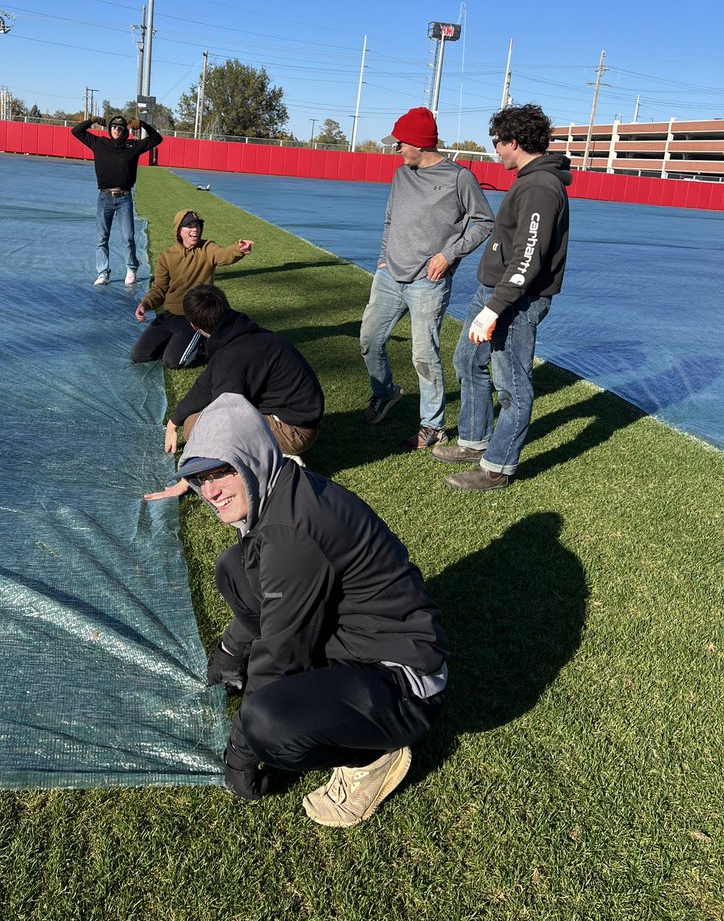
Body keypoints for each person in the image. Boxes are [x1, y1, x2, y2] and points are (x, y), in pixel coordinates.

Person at [176, 393, 448, 828]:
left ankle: (372, 758)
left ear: (251, 458)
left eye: (223, 471)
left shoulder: (290, 533)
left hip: (404, 678)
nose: (210, 491)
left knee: (267, 722)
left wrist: (240, 756)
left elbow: (279, 658)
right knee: (234, 569)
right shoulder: (280, 488)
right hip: (356, 636)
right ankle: (313, 697)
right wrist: (231, 653)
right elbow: (263, 595)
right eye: (199, 477)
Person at [433, 103, 572, 491]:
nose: (495, 149)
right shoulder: (530, 180)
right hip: (494, 291)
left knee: (512, 384)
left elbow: (528, 257)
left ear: (513, 141)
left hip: (516, 299)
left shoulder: (541, 187)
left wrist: (494, 308)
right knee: (467, 360)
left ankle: (497, 467)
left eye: (497, 142)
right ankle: (475, 441)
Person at [360, 106, 493, 449]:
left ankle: (433, 426)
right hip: (390, 275)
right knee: (369, 340)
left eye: (401, 143)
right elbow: (391, 219)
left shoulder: (460, 178)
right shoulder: (402, 174)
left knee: (423, 354)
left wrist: (448, 256)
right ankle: (386, 392)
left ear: (419, 144)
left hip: (427, 282)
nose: (396, 149)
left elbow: (484, 223)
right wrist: (382, 259)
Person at [144, 284, 325, 501]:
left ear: (193, 325)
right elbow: (205, 385)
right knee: (191, 421)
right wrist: (175, 420)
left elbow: (223, 420)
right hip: (296, 417)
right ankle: (265, 450)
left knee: (195, 426)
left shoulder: (230, 357)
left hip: (294, 431)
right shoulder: (241, 333)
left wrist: (187, 480)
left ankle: (279, 462)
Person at [131, 211, 253, 369]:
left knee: (173, 362)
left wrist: (239, 249)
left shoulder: (208, 248)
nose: (195, 229)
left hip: (195, 318)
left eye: (197, 225)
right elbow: (159, 289)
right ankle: (178, 342)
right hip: (169, 316)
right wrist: (145, 305)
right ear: (179, 231)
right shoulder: (166, 257)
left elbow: (224, 255)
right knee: (139, 355)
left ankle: (204, 342)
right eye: (189, 226)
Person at [71, 112, 163, 286]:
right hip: (104, 197)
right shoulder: (99, 143)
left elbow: (157, 139)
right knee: (102, 237)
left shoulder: (133, 146)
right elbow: (76, 132)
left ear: (125, 131)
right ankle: (103, 273)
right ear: (109, 129)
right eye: (114, 127)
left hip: (124, 198)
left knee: (128, 236)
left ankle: (131, 268)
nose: (117, 130)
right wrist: (91, 121)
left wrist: (142, 124)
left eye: (120, 128)